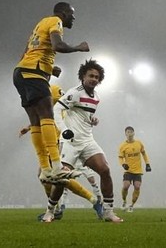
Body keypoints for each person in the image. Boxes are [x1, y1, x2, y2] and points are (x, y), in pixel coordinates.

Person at [13, 2, 89, 184]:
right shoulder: (56, 21)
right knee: (48, 116)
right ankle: (56, 167)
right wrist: (78, 47)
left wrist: (49, 68)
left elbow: (27, 54)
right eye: (72, 14)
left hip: (21, 72)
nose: (74, 18)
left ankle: (46, 169)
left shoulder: (40, 24)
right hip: (33, 73)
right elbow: (58, 46)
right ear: (63, 13)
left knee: (36, 122)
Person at [41, 59, 123, 223]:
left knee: (105, 170)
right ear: (83, 77)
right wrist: (64, 130)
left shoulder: (96, 97)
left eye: (96, 77)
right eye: (90, 75)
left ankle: (108, 211)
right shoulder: (75, 92)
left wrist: (92, 119)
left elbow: (84, 115)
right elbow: (57, 109)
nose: (93, 79)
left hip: (87, 140)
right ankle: (50, 211)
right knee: (62, 178)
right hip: (71, 142)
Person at [19, 65, 104, 221]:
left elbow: (67, 108)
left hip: (59, 138)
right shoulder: (37, 92)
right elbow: (43, 114)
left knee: (49, 175)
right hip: (47, 136)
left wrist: (86, 119)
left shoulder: (54, 89)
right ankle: (90, 201)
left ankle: (58, 208)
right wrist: (29, 126)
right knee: (50, 177)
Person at [118, 126, 151, 212]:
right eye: (128, 132)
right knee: (126, 186)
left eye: (131, 132)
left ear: (134, 133)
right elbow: (120, 158)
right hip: (128, 170)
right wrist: (123, 164)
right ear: (125, 134)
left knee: (137, 186)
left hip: (138, 171)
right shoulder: (122, 146)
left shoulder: (139, 143)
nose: (129, 134)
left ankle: (131, 205)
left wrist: (147, 163)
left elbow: (144, 153)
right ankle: (124, 201)